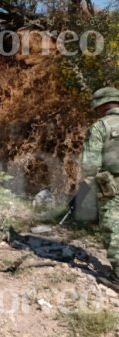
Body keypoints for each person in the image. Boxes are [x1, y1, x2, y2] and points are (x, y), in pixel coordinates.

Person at [81, 87, 119, 284]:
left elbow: (90, 164)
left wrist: (88, 189)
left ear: (102, 105)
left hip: (111, 185)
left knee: (114, 228)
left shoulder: (100, 126)